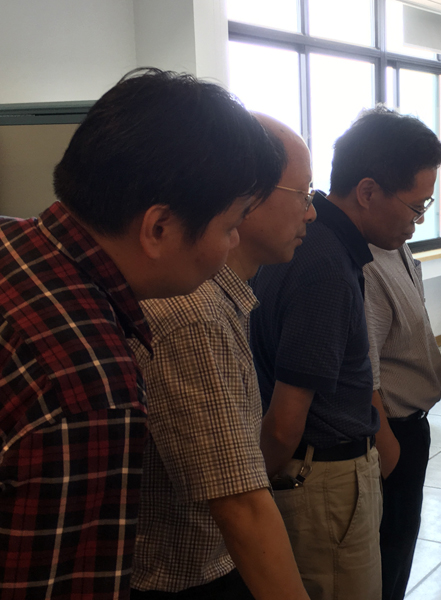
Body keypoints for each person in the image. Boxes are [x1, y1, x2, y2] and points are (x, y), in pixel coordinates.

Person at [0, 68, 279, 599]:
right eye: (230, 226)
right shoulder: (89, 384)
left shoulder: (13, 244)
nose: (233, 243)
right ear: (159, 228)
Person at [250, 106, 441, 600]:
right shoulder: (325, 266)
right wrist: (254, 495)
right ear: (367, 192)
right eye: (415, 207)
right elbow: (285, 422)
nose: (419, 221)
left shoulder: (311, 244)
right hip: (323, 482)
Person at [129, 115, 314, 600]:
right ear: (245, 199)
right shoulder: (193, 312)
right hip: (185, 582)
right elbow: (239, 506)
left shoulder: (223, 298)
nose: (312, 212)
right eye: (303, 195)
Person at [364, 242, 441, 600]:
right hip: (389, 430)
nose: (417, 221)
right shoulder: (364, 263)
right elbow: (363, 374)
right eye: (413, 213)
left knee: (401, 544)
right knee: (388, 552)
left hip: (412, 425)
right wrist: (389, 449)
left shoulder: (396, 242)